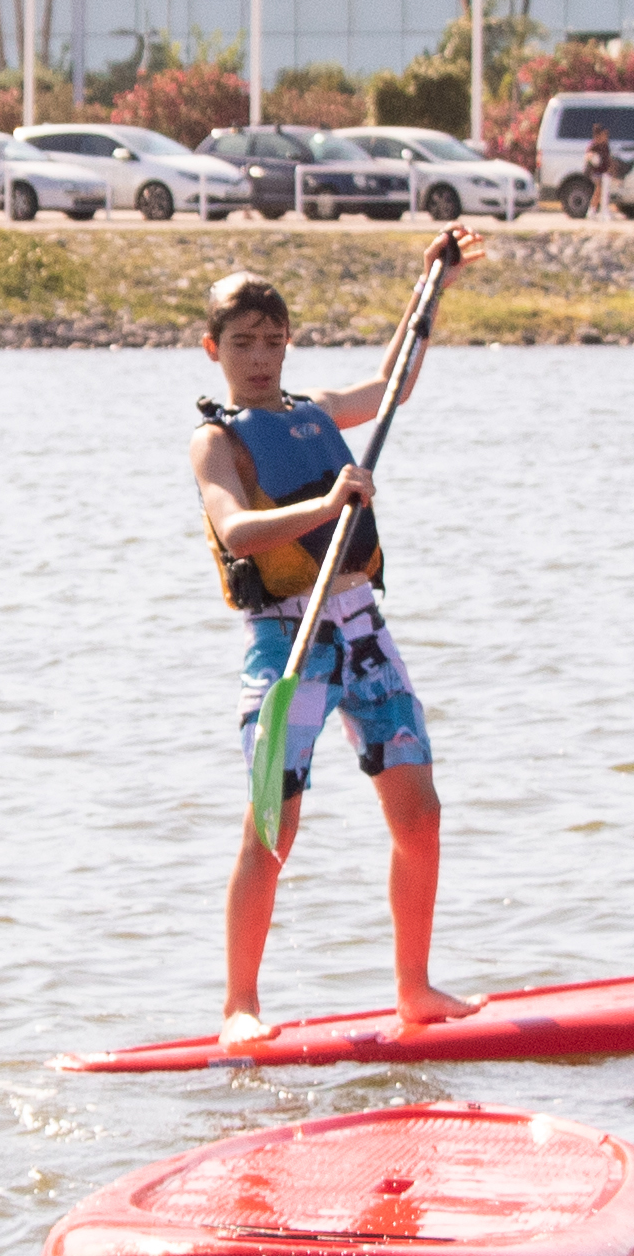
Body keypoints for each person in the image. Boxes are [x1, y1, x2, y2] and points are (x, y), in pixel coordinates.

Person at [194, 258, 480, 1042]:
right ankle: (239, 1007)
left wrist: (431, 289)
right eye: (243, 343)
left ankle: (415, 989)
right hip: (287, 644)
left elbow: (392, 387)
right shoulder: (216, 442)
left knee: (420, 816)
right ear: (213, 348)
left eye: (273, 341)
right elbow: (235, 530)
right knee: (272, 829)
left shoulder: (315, 411)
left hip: (363, 632)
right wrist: (328, 504)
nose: (260, 358)